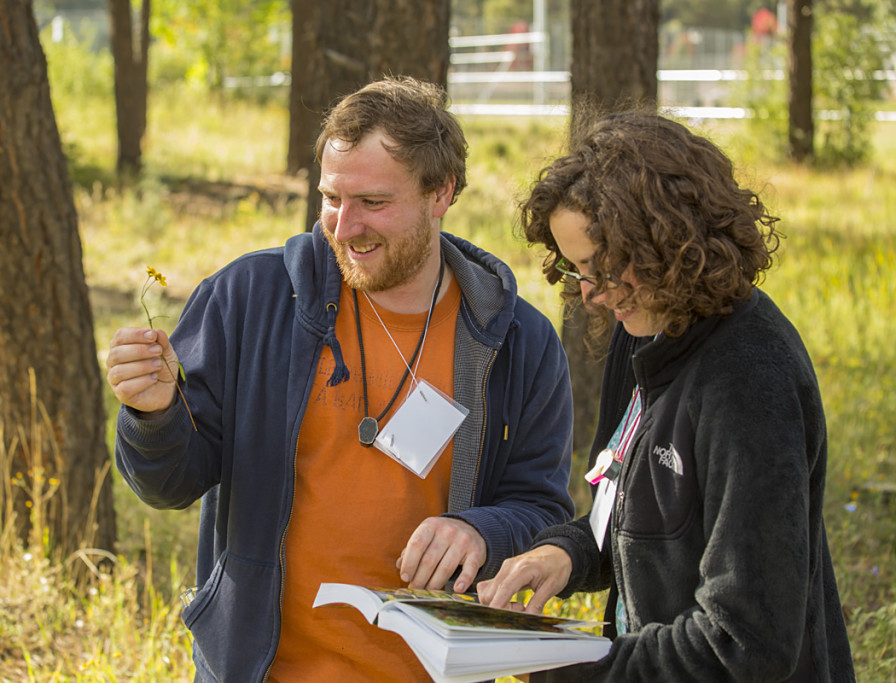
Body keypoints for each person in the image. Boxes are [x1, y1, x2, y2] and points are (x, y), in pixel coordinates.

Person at [105, 76, 575, 683]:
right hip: (260, 670)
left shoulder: (518, 341)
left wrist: (480, 532)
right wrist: (152, 414)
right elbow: (168, 483)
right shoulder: (249, 298)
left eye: (373, 203)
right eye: (331, 198)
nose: (343, 226)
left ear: (441, 193)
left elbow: (541, 509)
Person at [477, 111, 855, 681]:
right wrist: (566, 553)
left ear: (669, 244)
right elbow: (636, 512)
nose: (591, 295)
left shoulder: (748, 382)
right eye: (575, 269)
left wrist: (568, 667)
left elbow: (746, 640)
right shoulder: (645, 338)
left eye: (602, 270)